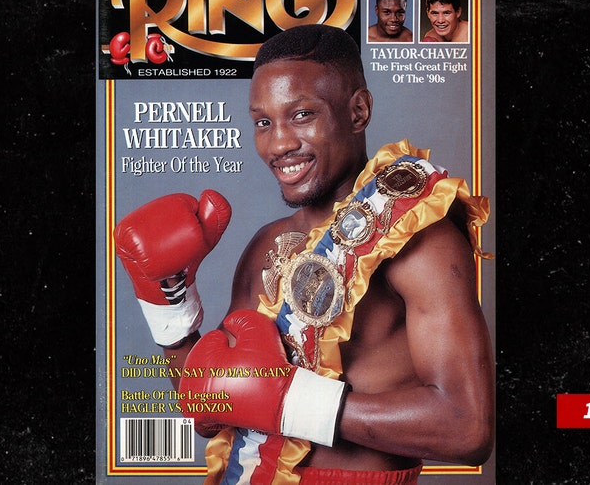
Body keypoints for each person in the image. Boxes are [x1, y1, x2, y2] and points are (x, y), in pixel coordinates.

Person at [114, 25, 494, 484]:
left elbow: (466, 426)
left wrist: (290, 402)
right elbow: (210, 411)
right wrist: (170, 310)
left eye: (301, 115)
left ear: (358, 111)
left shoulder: (419, 236)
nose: (278, 144)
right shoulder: (264, 246)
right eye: (263, 122)